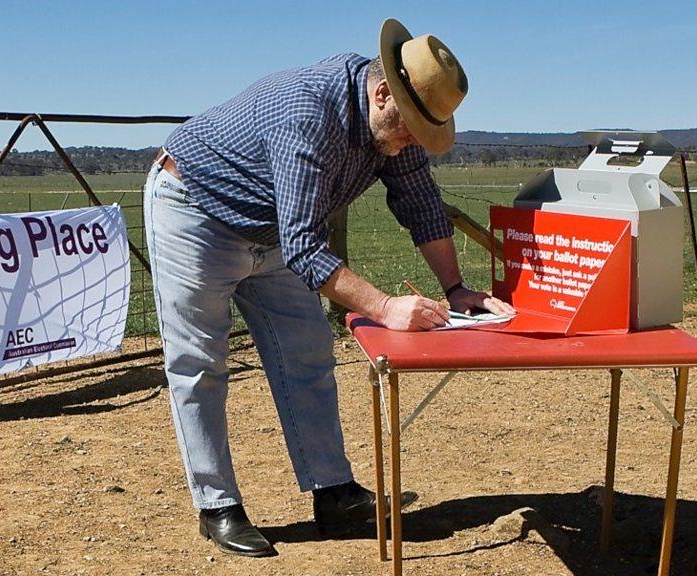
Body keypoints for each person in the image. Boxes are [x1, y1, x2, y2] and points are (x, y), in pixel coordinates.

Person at [142, 18, 515, 557]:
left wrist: (456, 287)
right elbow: (305, 246)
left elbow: (420, 203)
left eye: (423, 130)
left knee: (309, 348)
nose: (412, 139)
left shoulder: (396, 121)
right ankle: (217, 506)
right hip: (194, 211)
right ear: (384, 90)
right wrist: (385, 307)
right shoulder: (308, 113)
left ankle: (333, 494)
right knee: (199, 363)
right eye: (410, 125)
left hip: (272, 229)